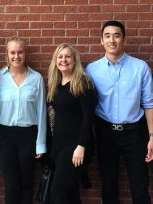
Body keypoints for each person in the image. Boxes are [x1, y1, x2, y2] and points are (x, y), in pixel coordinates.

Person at [85, 20, 153, 204]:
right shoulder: (92, 70)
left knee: (140, 185)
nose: (112, 40)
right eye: (107, 36)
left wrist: (152, 137)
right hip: (104, 132)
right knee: (108, 185)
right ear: (101, 40)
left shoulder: (140, 67)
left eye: (117, 35)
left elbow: (149, 103)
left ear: (123, 39)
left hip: (134, 133)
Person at [0, 36, 47, 204]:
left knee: (27, 182)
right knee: (11, 184)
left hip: (29, 135)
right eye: (12, 52)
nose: (16, 56)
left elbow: (42, 112)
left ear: (26, 53)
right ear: (7, 54)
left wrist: (40, 143)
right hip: (5, 135)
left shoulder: (36, 79)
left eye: (20, 52)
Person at [47, 43, 96, 203]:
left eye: (68, 56)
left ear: (75, 60)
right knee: (70, 193)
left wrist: (81, 146)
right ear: (55, 61)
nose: (64, 60)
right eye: (60, 57)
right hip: (60, 146)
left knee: (57, 193)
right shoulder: (56, 85)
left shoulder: (83, 83)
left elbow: (89, 118)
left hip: (77, 146)